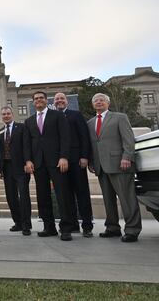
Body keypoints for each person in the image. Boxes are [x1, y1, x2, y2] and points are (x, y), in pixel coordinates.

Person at [88, 93, 142, 242]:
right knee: (108, 199)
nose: (99, 102)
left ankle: (132, 229)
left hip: (120, 164)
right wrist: (92, 162)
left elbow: (128, 139)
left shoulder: (119, 117)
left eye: (102, 100)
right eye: (96, 101)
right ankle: (112, 227)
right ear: (93, 105)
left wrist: (127, 157)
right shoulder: (91, 122)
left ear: (108, 103)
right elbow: (93, 144)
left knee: (127, 198)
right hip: (101, 166)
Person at [23, 91, 75, 241]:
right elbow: (27, 143)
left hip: (56, 162)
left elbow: (65, 137)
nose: (38, 101)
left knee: (62, 194)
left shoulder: (58, 116)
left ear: (46, 101)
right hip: (38, 163)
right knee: (42, 196)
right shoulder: (29, 121)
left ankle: (66, 228)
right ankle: (49, 227)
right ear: (33, 102)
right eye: (36, 99)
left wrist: (64, 157)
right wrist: (28, 160)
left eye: (41, 98)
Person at [54, 92, 94, 237]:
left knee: (82, 193)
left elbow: (84, 135)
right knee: (66, 195)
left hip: (76, 160)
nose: (59, 101)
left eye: (62, 99)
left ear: (67, 101)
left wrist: (84, 156)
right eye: (57, 99)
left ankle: (87, 225)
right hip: (60, 162)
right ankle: (72, 225)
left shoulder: (75, 115)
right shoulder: (53, 117)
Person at [0, 106, 32, 236]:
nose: (6, 116)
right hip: (6, 168)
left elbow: (27, 146)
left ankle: (26, 225)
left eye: (8, 113)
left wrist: (28, 161)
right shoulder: (0, 132)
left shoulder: (22, 128)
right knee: (11, 196)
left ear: (12, 114)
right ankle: (17, 222)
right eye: (4, 114)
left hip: (20, 167)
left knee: (23, 196)